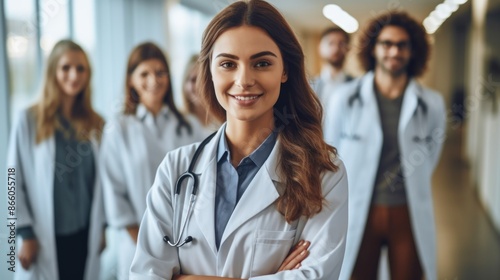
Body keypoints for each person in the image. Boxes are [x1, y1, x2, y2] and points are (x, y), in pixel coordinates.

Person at [130, 0, 348, 279]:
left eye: (262, 63)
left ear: (285, 70)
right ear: (209, 69)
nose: (244, 80)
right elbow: (144, 275)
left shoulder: (324, 173)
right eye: (228, 64)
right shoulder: (176, 168)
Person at [324, 11, 446, 280]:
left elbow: (430, 156)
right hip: (359, 209)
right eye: (386, 44)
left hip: (407, 211)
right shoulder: (345, 99)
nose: (394, 51)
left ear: (413, 51)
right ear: (373, 48)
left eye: (402, 45)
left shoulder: (432, 103)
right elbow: (330, 153)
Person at [100, 42, 205, 280]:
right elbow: (115, 194)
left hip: (188, 242)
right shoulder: (118, 129)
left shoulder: (189, 126)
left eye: (160, 72)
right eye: (144, 74)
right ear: (131, 80)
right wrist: (149, 243)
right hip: (137, 244)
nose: (153, 80)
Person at [7, 40, 105, 280]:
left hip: (85, 234)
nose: (74, 75)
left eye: (81, 68)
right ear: (53, 71)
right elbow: (12, 179)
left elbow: (102, 185)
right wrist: (25, 233)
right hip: (43, 236)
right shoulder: (28, 119)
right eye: (66, 68)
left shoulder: (96, 123)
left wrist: (102, 229)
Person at [312, 27, 352, 106]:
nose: (336, 48)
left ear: (348, 49)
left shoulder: (357, 87)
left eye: (341, 44)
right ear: (320, 48)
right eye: (331, 43)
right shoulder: (309, 87)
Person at [182, 54, 220, 135]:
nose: (198, 86)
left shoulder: (224, 121)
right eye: (193, 80)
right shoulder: (178, 122)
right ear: (184, 84)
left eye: (203, 79)